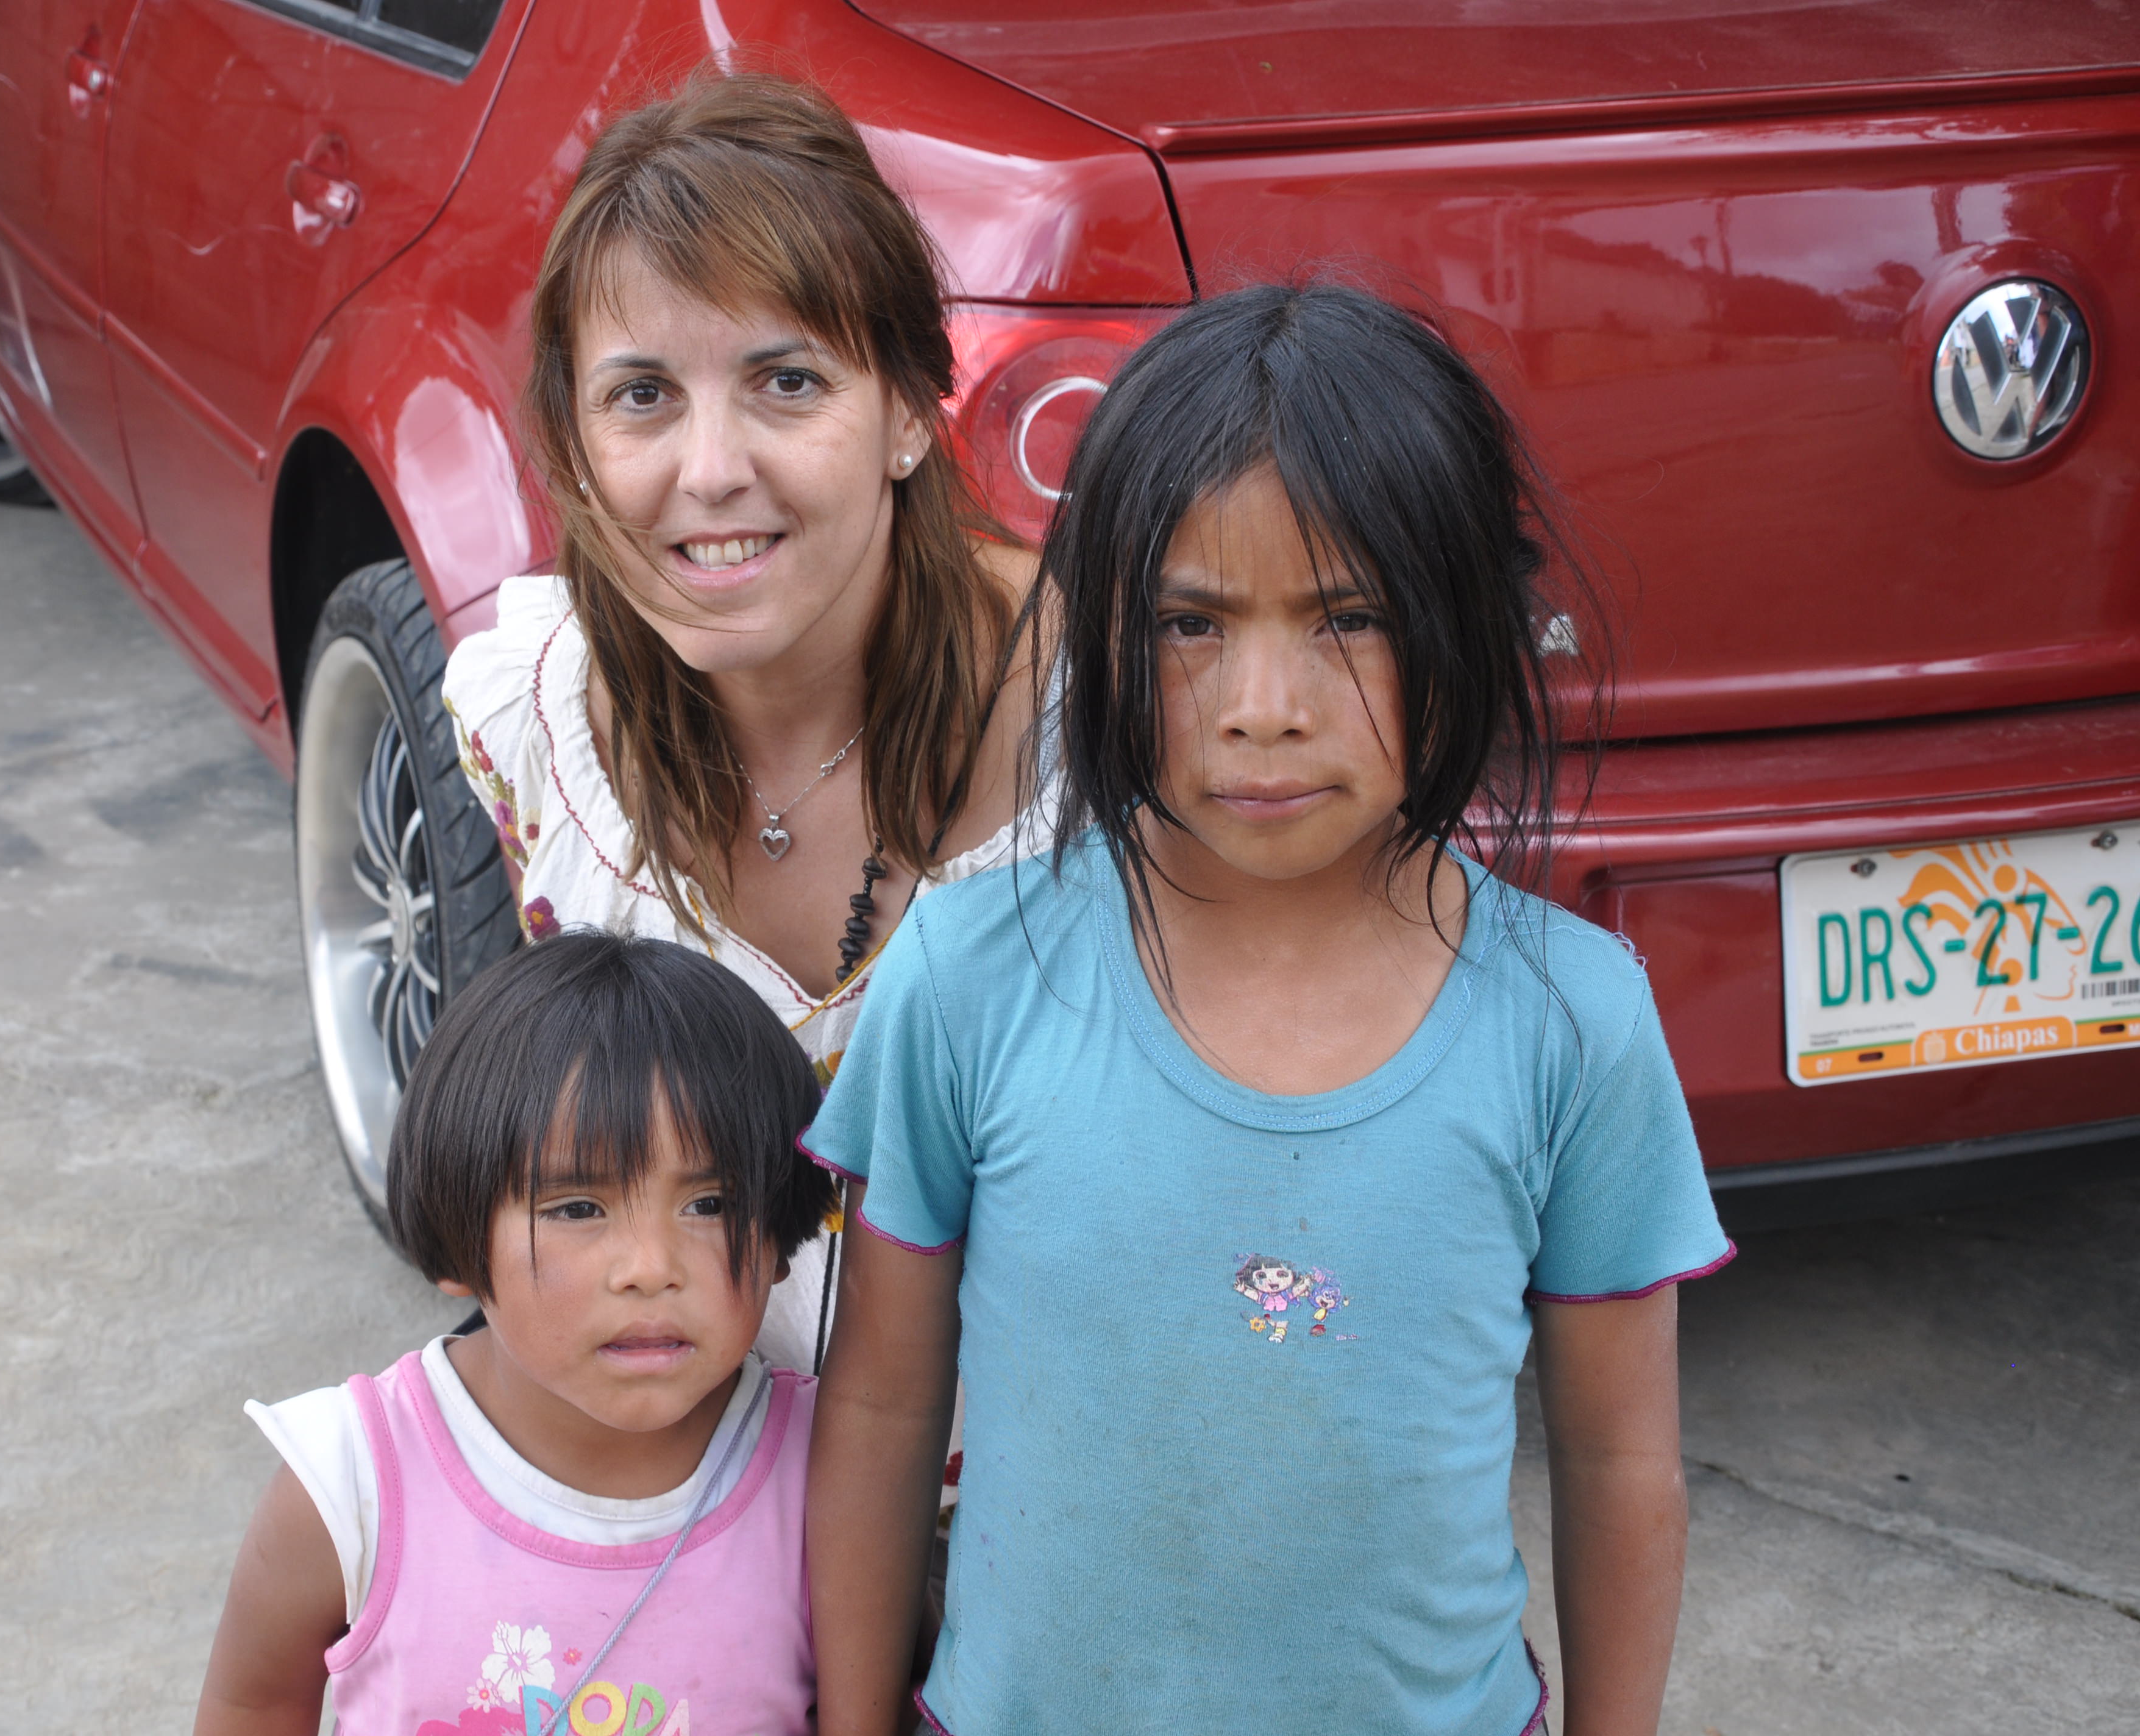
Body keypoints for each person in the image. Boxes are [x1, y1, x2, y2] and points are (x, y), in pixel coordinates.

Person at [803, 284, 1733, 1735]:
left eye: (1346, 617)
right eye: (1189, 621)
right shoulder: (969, 977)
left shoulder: (1571, 1021)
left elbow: (1619, 1463)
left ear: (1468, 623)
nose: (1261, 703)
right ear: (1098, 634)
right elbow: (876, 1409)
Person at [444, 74, 1046, 1371]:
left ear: (908, 411)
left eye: (785, 380)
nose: (711, 470)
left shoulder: (1104, 722)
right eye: (642, 395)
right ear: (574, 440)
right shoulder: (533, 725)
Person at [193, 932, 835, 1736]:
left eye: (709, 1205)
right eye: (578, 1209)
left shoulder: (831, 1471)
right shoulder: (354, 1482)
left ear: (779, 1233)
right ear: (460, 1235)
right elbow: (251, 1704)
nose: (650, 1268)